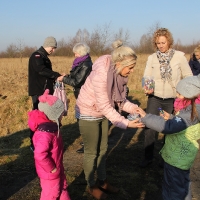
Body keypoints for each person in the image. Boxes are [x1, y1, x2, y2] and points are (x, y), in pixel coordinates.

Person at [75, 40, 145, 200]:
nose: (132, 71)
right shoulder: (102, 74)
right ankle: (91, 185)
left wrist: (135, 108)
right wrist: (126, 123)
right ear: (120, 63)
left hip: (101, 112)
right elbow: (106, 106)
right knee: (92, 151)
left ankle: (102, 181)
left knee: (103, 148)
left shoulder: (118, 75)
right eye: (131, 67)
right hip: (88, 111)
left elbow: (119, 100)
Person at [136, 74, 200, 200]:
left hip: (177, 159)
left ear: (190, 96)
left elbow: (168, 127)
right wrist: (171, 117)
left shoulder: (189, 115)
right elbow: (181, 124)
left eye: (180, 94)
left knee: (172, 188)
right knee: (183, 185)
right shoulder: (193, 111)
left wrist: (146, 117)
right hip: (183, 158)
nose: (177, 96)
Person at [140, 28, 193, 168]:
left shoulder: (179, 57)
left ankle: (166, 159)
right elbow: (147, 76)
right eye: (158, 43)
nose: (161, 45)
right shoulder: (152, 58)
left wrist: (184, 92)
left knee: (169, 129)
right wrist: (147, 86)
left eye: (163, 42)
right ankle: (148, 158)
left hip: (172, 99)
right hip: (155, 98)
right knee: (150, 127)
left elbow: (188, 76)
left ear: (169, 41)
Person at [28, 89, 71, 200]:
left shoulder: (51, 128)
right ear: (53, 116)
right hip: (50, 174)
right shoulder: (45, 133)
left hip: (57, 168)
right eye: (61, 114)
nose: (62, 116)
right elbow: (39, 154)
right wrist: (51, 169)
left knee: (62, 188)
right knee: (50, 195)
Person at [28, 36, 63, 151]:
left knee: (46, 116)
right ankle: (34, 143)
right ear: (47, 45)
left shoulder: (43, 56)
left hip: (45, 91)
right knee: (38, 117)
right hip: (39, 92)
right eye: (53, 48)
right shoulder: (37, 56)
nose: (53, 50)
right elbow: (41, 70)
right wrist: (56, 75)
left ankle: (45, 141)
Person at [62, 43, 93, 153]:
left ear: (81, 53)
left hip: (84, 94)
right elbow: (76, 76)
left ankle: (89, 145)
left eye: (76, 53)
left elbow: (77, 81)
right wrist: (67, 76)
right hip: (80, 94)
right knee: (82, 118)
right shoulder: (81, 62)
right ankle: (87, 141)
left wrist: (63, 80)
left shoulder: (86, 65)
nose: (74, 55)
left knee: (84, 119)